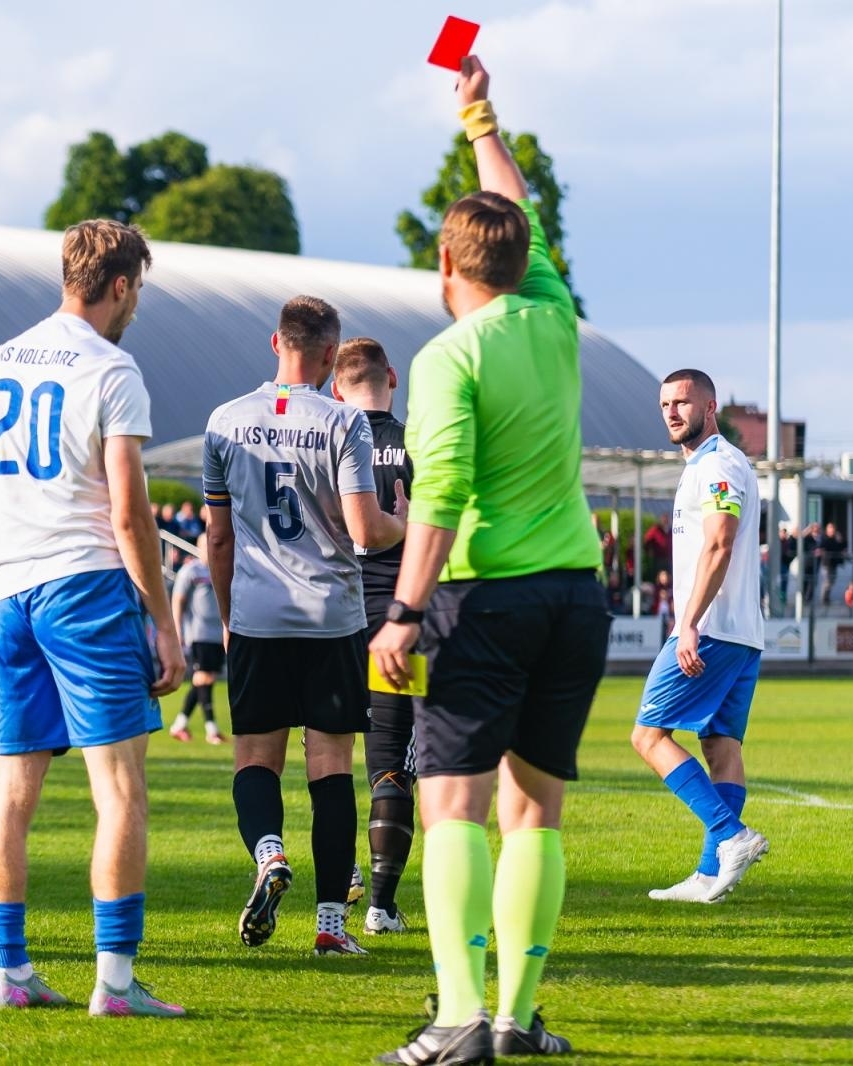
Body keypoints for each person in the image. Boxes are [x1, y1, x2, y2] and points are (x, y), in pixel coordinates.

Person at [369, 56, 610, 1062]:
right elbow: (519, 209)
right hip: (575, 595)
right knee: (535, 812)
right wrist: (478, 118)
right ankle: (515, 1016)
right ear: (520, 258)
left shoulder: (445, 356)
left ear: (448, 269)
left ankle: (458, 1018)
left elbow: (441, 491)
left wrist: (404, 610)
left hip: (484, 595)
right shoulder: (554, 318)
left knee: (453, 803)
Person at [0, 219, 186, 1017]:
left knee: (11, 794)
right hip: (85, 588)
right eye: (139, 291)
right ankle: (117, 986)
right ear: (121, 285)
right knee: (119, 790)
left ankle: (11, 975)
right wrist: (163, 623)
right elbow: (130, 514)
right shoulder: (112, 367)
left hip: (14, 590)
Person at [203, 295, 405, 960]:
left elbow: (220, 537)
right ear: (328, 355)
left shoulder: (225, 422)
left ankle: (268, 853)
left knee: (255, 761)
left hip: (259, 616)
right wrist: (416, 523)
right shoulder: (343, 421)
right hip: (332, 616)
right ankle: (330, 927)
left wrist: (230, 617)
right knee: (330, 771)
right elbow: (367, 531)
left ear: (274, 343)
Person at [629, 368, 769, 909]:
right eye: (665, 403)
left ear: (709, 407)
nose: (671, 411)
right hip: (739, 632)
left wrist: (687, 620)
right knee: (720, 745)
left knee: (648, 737)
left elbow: (720, 543)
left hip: (710, 629)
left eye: (682, 402)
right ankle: (711, 874)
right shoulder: (711, 465)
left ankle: (731, 836)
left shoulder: (717, 464)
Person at [330, 335, 417, 936]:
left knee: (329, 757)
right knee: (392, 765)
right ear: (391, 376)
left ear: (338, 388)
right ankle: (382, 909)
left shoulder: (324, 438)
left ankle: (344, 874)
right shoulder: (422, 445)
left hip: (331, 621)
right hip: (401, 623)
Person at [169, 533, 225, 744]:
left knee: (203, 680)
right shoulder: (191, 571)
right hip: (199, 633)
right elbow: (178, 601)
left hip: (217, 634)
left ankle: (180, 724)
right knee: (203, 678)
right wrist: (177, 631)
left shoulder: (220, 569)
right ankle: (212, 729)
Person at [817, 522, 846, 607]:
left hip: (834, 564)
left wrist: (840, 541)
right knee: (827, 582)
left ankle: (827, 599)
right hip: (826, 564)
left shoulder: (835, 539)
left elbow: (841, 548)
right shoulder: (824, 538)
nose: (832, 531)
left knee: (832, 581)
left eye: (833, 529)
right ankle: (823, 600)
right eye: (830, 529)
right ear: (827, 530)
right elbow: (821, 549)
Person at [644, 514, 673, 579]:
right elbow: (647, 539)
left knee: (669, 576)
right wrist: (648, 550)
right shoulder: (655, 529)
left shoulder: (670, 530)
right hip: (658, 558)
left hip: (669, 558)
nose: (665, 521)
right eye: (664, 519)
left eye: (667, 519)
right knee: (658, 576)